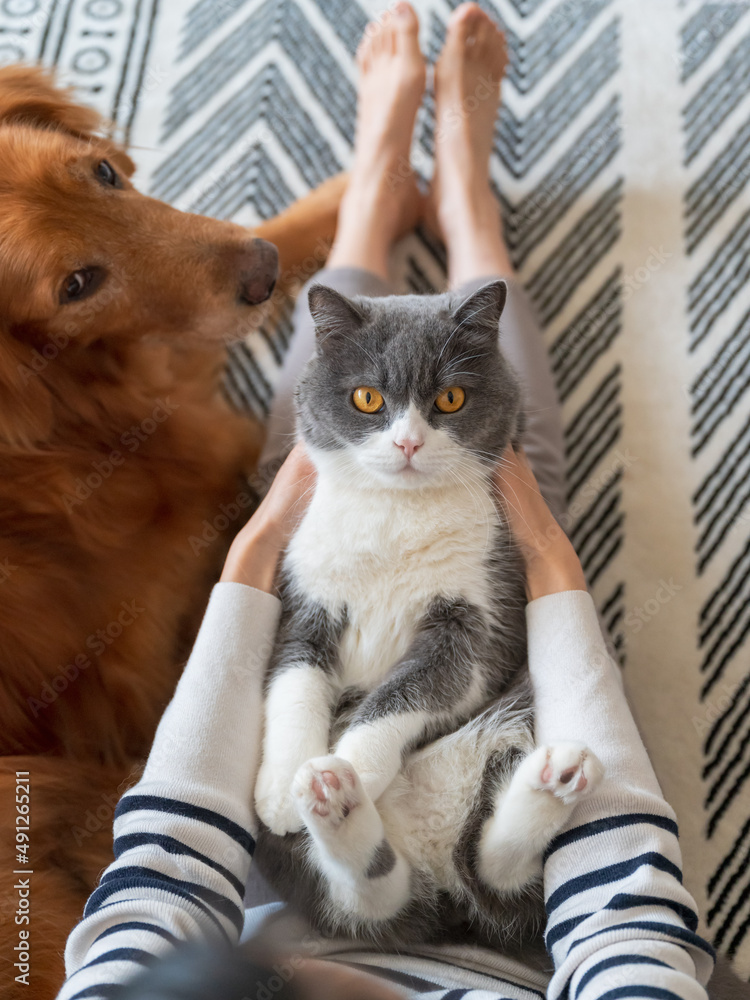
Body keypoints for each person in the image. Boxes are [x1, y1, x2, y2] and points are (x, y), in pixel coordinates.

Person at [57, 4, 714, 999]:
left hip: (291, 892)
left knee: (312, 452)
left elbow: (161, 866)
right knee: (517, 470)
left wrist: (256, 554)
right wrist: (551, 566)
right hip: (516, 907)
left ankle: (371, 198)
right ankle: (469, 216)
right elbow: (629, 908)